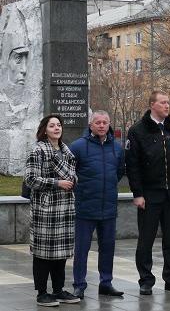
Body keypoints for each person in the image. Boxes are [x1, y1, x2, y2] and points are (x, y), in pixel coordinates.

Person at [125, 90, 170, 295]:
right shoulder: (138, 130)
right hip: (149, 195)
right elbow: (132, 165)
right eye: (163, 102)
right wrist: (137, 193)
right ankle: (146, 279)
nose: (167, 106)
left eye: (168, 102)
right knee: (146, 239)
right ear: (152, 104)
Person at [24, 114, 81, 307]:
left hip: (65, 208)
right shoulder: (38, 150)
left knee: (61, 253)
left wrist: (72, 182)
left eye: (59, 125)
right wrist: (56, 183)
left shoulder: (67, 152)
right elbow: (30, 179)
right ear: (45, 129)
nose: (57, 128)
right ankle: (42, 293)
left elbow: (73, 177)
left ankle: (58, 290)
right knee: (43, 253)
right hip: (46, 209)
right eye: (52, 125)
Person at [70, 110, 125, 299]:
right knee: (82, 249)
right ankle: (79, 284)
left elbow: (118, 172)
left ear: (109, 124)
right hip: (85, 207)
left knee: (108, 247)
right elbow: (70, 174)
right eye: (98, 122)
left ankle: (106, 283)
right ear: (91, 125)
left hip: (108, 207)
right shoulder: (78, 146)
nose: (102, 125)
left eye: (105, 122)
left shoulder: (117, 148)